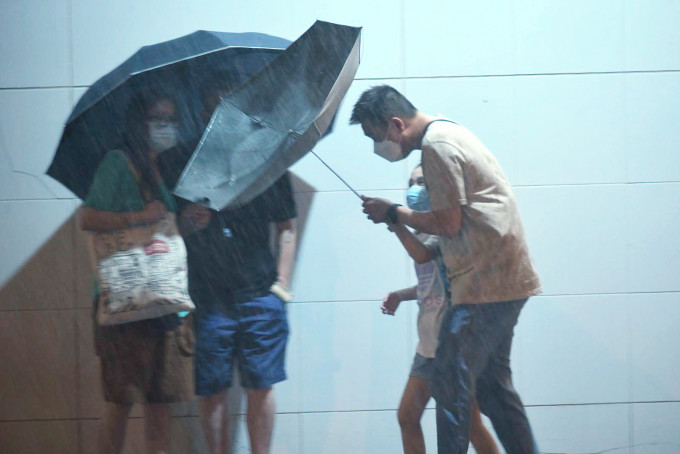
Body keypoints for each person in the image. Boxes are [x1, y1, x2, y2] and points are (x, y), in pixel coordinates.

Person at [350, 85, 541, 454]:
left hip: (486, 283)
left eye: (377, 138)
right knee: (493, 391)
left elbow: (448, 223)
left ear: (395, 124)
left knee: (450, 383)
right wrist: (395, 219)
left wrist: (392, 212)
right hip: (503, 278)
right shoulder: (450, 131)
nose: (378, 148)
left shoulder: (437, 147)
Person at [166, 80, 298, 454]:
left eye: (229, 110)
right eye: (213, 110)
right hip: (207, 296)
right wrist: (189, 221)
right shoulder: (185, 162)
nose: (220, 118)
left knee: (262, 384)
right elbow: (167, 230)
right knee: (211, 388)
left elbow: (287, 225)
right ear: (204, 115)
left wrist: (282, 286)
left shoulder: (267, 160)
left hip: (260, 292)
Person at [79, 90, 194, 454]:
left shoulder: (169, 165)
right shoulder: (118, 162)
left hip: (166, 303)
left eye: (172, 120)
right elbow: (88, 218)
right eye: (159, 120)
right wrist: (139, 217)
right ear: (139, 124)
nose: (167, 128)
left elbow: (166, 231)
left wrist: (188, 221)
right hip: (124, 306)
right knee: (121, 402)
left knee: (161, 405)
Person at [383, 165, 499, 454]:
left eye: (422, 181)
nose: (414, 187)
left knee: (469, 425)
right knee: (407, 417)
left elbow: (423, 255)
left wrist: (394, 222)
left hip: (453, 343)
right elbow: (432, 285)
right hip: (428, 345)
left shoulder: (448, 229)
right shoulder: (420, 233)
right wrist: (401, 294)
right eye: (410, 182)